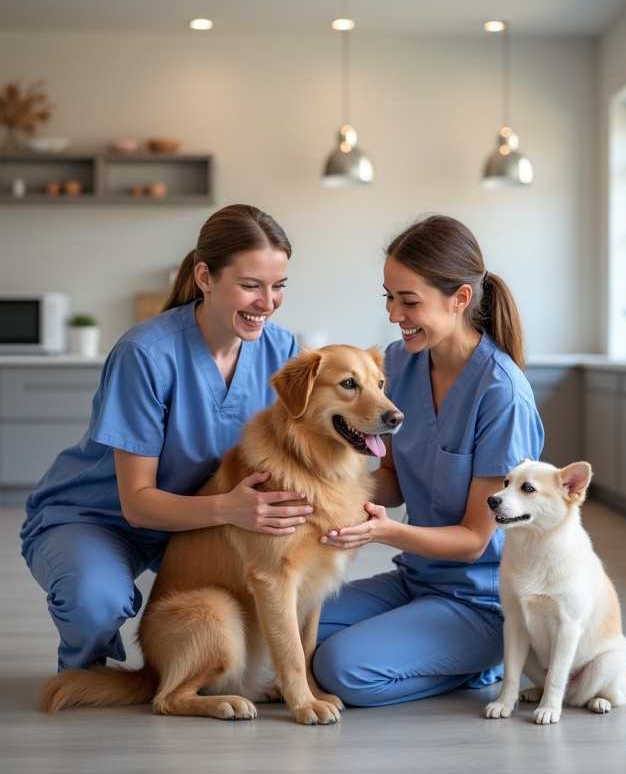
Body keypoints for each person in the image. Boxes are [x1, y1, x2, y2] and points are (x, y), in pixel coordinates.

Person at [21, 204, 313, 673]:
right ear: (205, 276)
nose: (267, 302)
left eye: (278, 286)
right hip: (105, 518)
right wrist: (228, 509)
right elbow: (136, 503)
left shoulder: (282, 351)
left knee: (302, 595)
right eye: (250, 286)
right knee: (96, 601)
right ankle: (84, 669)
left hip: (203, 526)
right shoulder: (146, 353)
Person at [313, 213, 545, 707]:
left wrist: (383, 531)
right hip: (415, 578)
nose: (394, 314)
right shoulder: (398, 363)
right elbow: (393, 479)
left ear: (460, 298)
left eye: (409, 301)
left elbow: (472, 540)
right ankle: (426, 647)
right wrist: (322, 491)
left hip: (484, 601)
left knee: (339, 668)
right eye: (389, 297)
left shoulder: (501, 394)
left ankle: (486, 663)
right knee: (289, 626)